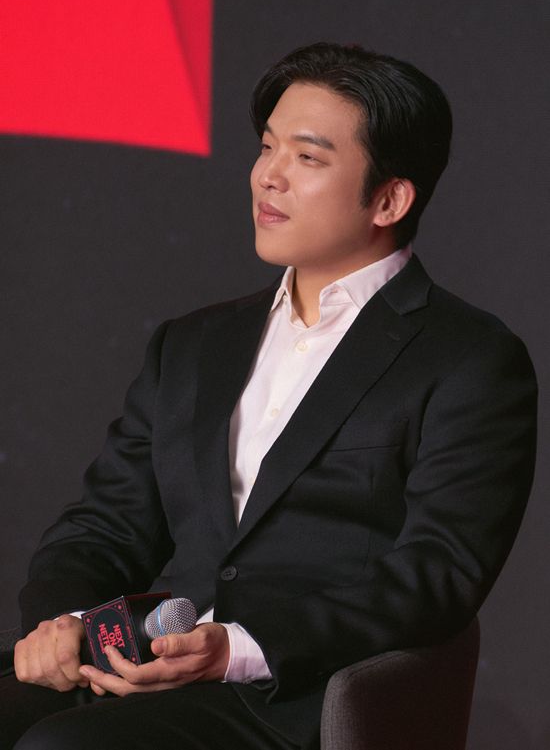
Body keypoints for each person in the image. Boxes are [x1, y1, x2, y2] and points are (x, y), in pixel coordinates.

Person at [1, 42, 537, 750]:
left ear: (389, 198)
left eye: (307, 157)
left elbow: (436, 573)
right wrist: (65, 623)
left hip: (295, 693)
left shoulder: (469, 357)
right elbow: (105, 526)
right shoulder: (193, 343)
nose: (267, 176)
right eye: (266, 147)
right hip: (142, 663)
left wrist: (237, 647)